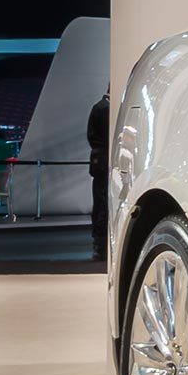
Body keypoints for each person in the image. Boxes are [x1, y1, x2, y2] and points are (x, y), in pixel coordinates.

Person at [86, 93, 110, 262]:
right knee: (103, 202)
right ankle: (100, 247)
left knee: (100, 201)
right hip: (104, 161)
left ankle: (99, 245)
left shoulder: (99, 106)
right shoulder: (106, 108)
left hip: (99, 161)